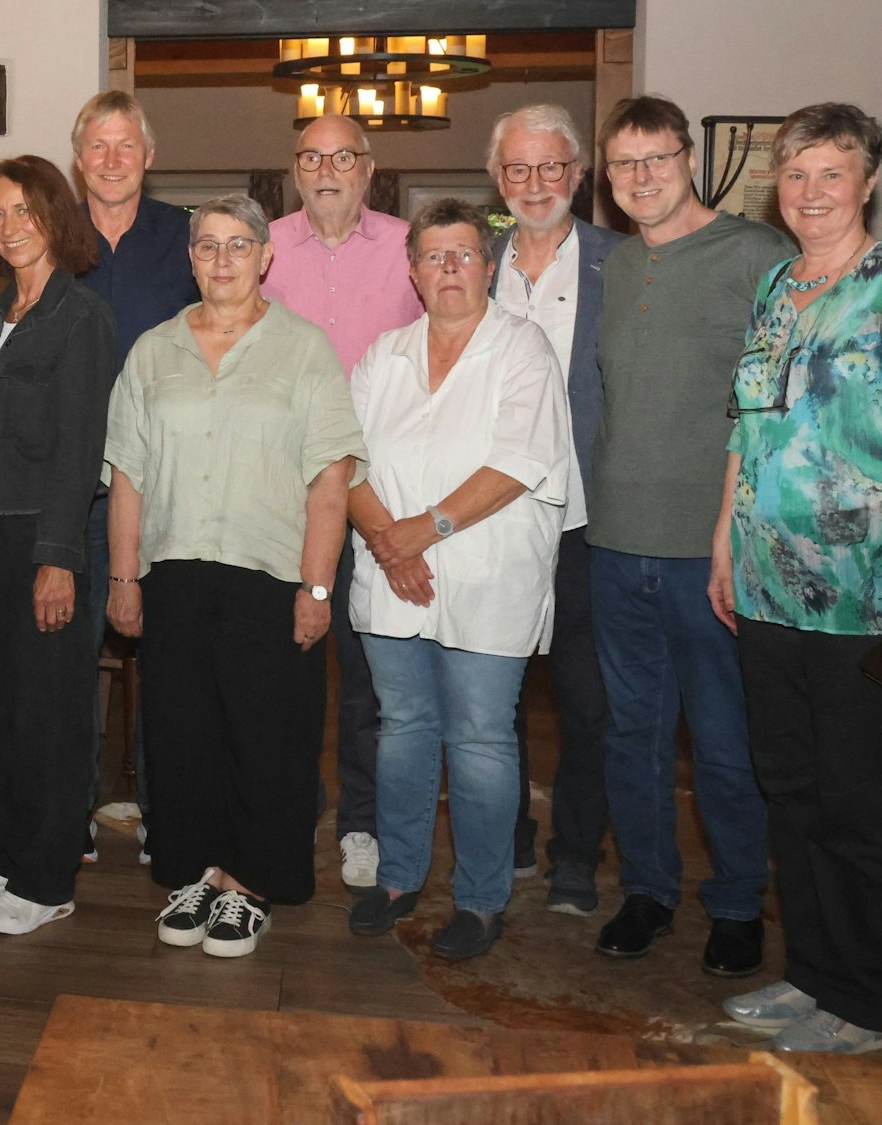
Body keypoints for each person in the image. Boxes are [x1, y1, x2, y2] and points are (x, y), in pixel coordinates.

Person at [107, 195, 362, 958]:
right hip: (175, 571)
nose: (223, 259)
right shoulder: (152, 351)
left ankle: (251, 882)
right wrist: (125, 577)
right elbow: (127, 476)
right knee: (182, 734)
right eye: (208, 245)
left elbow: (330, 478)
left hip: (271, 574)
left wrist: (317, 589)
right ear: (190, 260)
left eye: (239, 244)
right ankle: (196, 871)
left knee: (269, 735)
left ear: (265, 257)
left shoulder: (305, 349)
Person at [590, 95, 790, 976]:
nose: (640, 178)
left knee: (721, 739)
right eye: (623, 164)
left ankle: (739, 901)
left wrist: (740, 532)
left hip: (711, 551)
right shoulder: (618, 263)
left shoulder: (757, 255)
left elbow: (781, 408)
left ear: (687, 160)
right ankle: (648, 889)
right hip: (615, 540)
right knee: (629, 733)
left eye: (656, 159)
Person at [342, 200, 573, 961]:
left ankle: (479, 897)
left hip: (486, 578)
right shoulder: (384, 354)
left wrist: (422, 531)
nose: (449, 269)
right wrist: (390, 541)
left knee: (478, 740)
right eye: (433, 256)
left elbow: (518, 461)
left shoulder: (522, 348)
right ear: (411, 270)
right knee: (404, 730)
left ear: (488, 265)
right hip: (391, 575)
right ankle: (401, 876)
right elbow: (346, 461)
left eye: (465, 254)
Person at [714, 103, 882, 1054]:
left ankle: (865, 996)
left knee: (859, 802)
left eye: (832, 173)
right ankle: (815, 974)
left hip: (863, 598)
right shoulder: (776, 286)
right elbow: (747, 426)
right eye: (796, 174)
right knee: (792, 788)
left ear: (866, 183)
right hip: (768, 588)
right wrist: (722, 544)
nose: (811, 192)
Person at [0, 154, 116, 935]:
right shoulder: (4, 308)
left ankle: (48, 878)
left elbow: (80, 450)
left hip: (39, 535)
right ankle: (12, 850)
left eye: (25, 211)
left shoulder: (81, 316)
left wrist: (58, 556)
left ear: (55, 217)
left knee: (46, 711)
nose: (9, 227)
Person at [261, 114, 425, 891]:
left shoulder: (406, 247)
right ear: (295, 169)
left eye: (343, 157)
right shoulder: (262, 249)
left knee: (369, 677)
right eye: (312, 157)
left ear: (369, 167)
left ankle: (362, 821)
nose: (327, 171)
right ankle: (285, 808)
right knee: (282, 668)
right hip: (280, 494)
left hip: (376, 494)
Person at [485, 104, 624, 914]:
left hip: (587, 522)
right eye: (517, 169)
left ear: (577, 174)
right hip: (494, 519)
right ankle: (507, 842)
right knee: (491, 697)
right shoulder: (473, 264)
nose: (534, 184)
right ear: (497, 179)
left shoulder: (624, 263)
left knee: (588, 702)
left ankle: (577, 853)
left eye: (551, 168)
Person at [70, 89, 199, 860]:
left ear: (148, 156)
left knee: (172, 659)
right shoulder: (51, 238)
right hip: (79, 487)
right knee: (72, 657)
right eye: (98, 146)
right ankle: (76, 810)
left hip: (173, 484)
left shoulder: (187, 238)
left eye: (127, 146)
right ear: (78, 158)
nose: (113, 160)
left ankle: (166, 811)